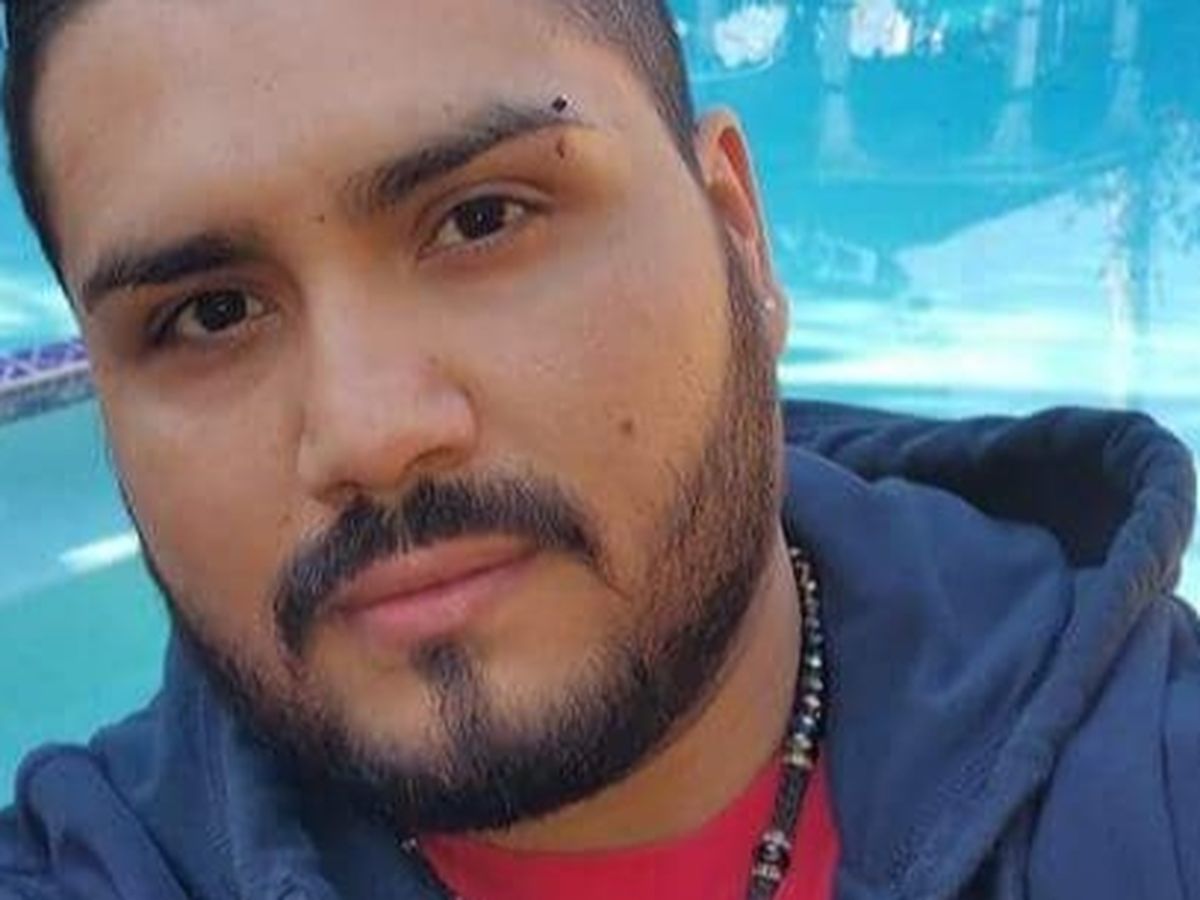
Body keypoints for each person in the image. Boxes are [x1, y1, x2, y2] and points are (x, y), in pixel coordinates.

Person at [1, 0, 1197, 898]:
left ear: (739, 236)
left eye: (483, 218)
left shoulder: (1153, 787)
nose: (370, 433)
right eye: (208, 313)